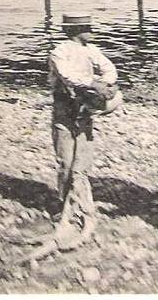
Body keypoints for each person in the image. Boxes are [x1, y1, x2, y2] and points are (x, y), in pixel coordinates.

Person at [47, 12, 122, 233]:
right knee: (65, 159)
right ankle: (64, 203)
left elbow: (110, 69)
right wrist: (93, 83)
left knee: (83, 159)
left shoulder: (92, 50)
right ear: (76, 31)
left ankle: (78, 201)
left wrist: (106, 84)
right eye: (87, 27)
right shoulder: (59, 52)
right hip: (64, 108)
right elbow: (67, 76)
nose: (92, 30)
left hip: (84, 106)